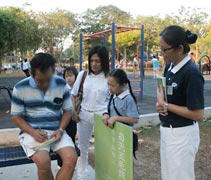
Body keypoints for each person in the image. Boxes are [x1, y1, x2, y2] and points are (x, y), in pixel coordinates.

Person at [11, 53, 77, 180]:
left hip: (56, 131)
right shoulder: (20, 87)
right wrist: (33, 132)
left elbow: (68, 111)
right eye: (40, 81)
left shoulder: (61, 84)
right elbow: (16, 117)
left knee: (71, 158)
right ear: (31, 73)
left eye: (49, 79)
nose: (45, 85)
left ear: (54, 71)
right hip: (31, 132)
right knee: (43, 162)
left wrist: (61, 129)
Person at [157, 25, 204, 180]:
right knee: (169, 175)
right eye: (160, 48)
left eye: (165, 49)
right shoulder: (170, 66)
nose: (161, 53)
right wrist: (162, 104)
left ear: (179, 48)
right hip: (167, 130)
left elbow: (197, 114)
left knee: (180, 176)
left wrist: (167, 106)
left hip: (182, 134)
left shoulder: (192, 73)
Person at [71, 45, 110, 180]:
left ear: (104, 61)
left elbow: (114, 98)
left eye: (98, 61)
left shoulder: (109, 77)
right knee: (83, 148)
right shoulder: (83, 75)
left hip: (102, 117)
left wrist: (108, 115)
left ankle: (104, 175)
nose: (94, 64)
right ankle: (82, 176)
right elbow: (73, 94)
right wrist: (73, 111)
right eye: (92, 60)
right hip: (83, 115)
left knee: (103, 149)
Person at [57, 66, 79, 167]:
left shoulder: (79, 89)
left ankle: (69, 164)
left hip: (73, 119)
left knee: (71, 139)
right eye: (66, 76)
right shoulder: (63, 89)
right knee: (60, 140)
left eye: (71, 75)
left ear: (76, 76)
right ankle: (60, 163)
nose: (69, 78)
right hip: (64, 118)